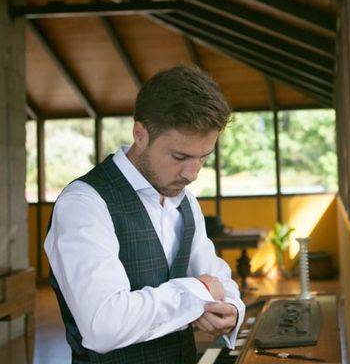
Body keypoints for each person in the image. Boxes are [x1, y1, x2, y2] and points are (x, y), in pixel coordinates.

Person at [45, 64, 245, 363]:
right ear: (140, 134)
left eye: (204, 157)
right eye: (180, 157)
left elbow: (217, 278)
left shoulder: (187, 202)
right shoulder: (84, 204)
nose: (193, 174)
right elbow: (104, 326)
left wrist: (231, 308)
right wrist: (196, 291)